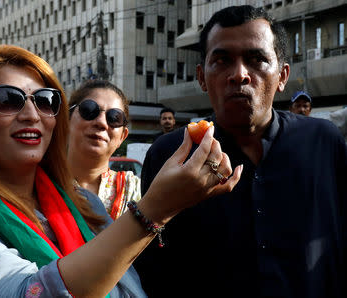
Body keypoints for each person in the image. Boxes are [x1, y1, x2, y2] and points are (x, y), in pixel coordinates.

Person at [0, 45, 243, 297]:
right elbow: (27, 293)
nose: (32, 114)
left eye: (45, 100)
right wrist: (155, 210)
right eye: (9, 98)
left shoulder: (85, 206)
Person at [135, 5, 347, 298]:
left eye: (256, 59)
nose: (239, 75)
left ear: (283, 76)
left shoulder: (324, 143)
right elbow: (153, 265)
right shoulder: (172, 155)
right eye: (222, 60)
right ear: (201, 76)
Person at [68, 80, 141, 220]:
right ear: (66, 120)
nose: (101, 122)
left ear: (122, 136)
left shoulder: (136, 190)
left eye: (114, 117)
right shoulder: (37, 185)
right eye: (89, 110)